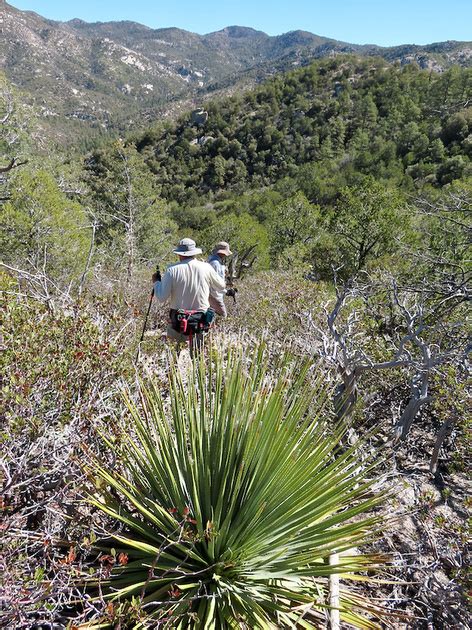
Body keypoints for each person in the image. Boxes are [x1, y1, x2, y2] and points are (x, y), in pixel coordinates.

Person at [152, 237, 225, 353]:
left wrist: (156, 282)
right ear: (194, 253)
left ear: (179, 254)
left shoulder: (171, 270)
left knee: (172, 357)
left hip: (177, 319)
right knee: (197, 358)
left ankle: (173, 369)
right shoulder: (206, 267)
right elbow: (221, 286)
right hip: (200, 319)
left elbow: (161, 297)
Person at [207, 241, 235, 318]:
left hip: (211, 294)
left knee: (211, 317)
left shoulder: (212, 260)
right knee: (223, 317)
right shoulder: (215, 263)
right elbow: (215, 283)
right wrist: (227, 292)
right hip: (214, 295)